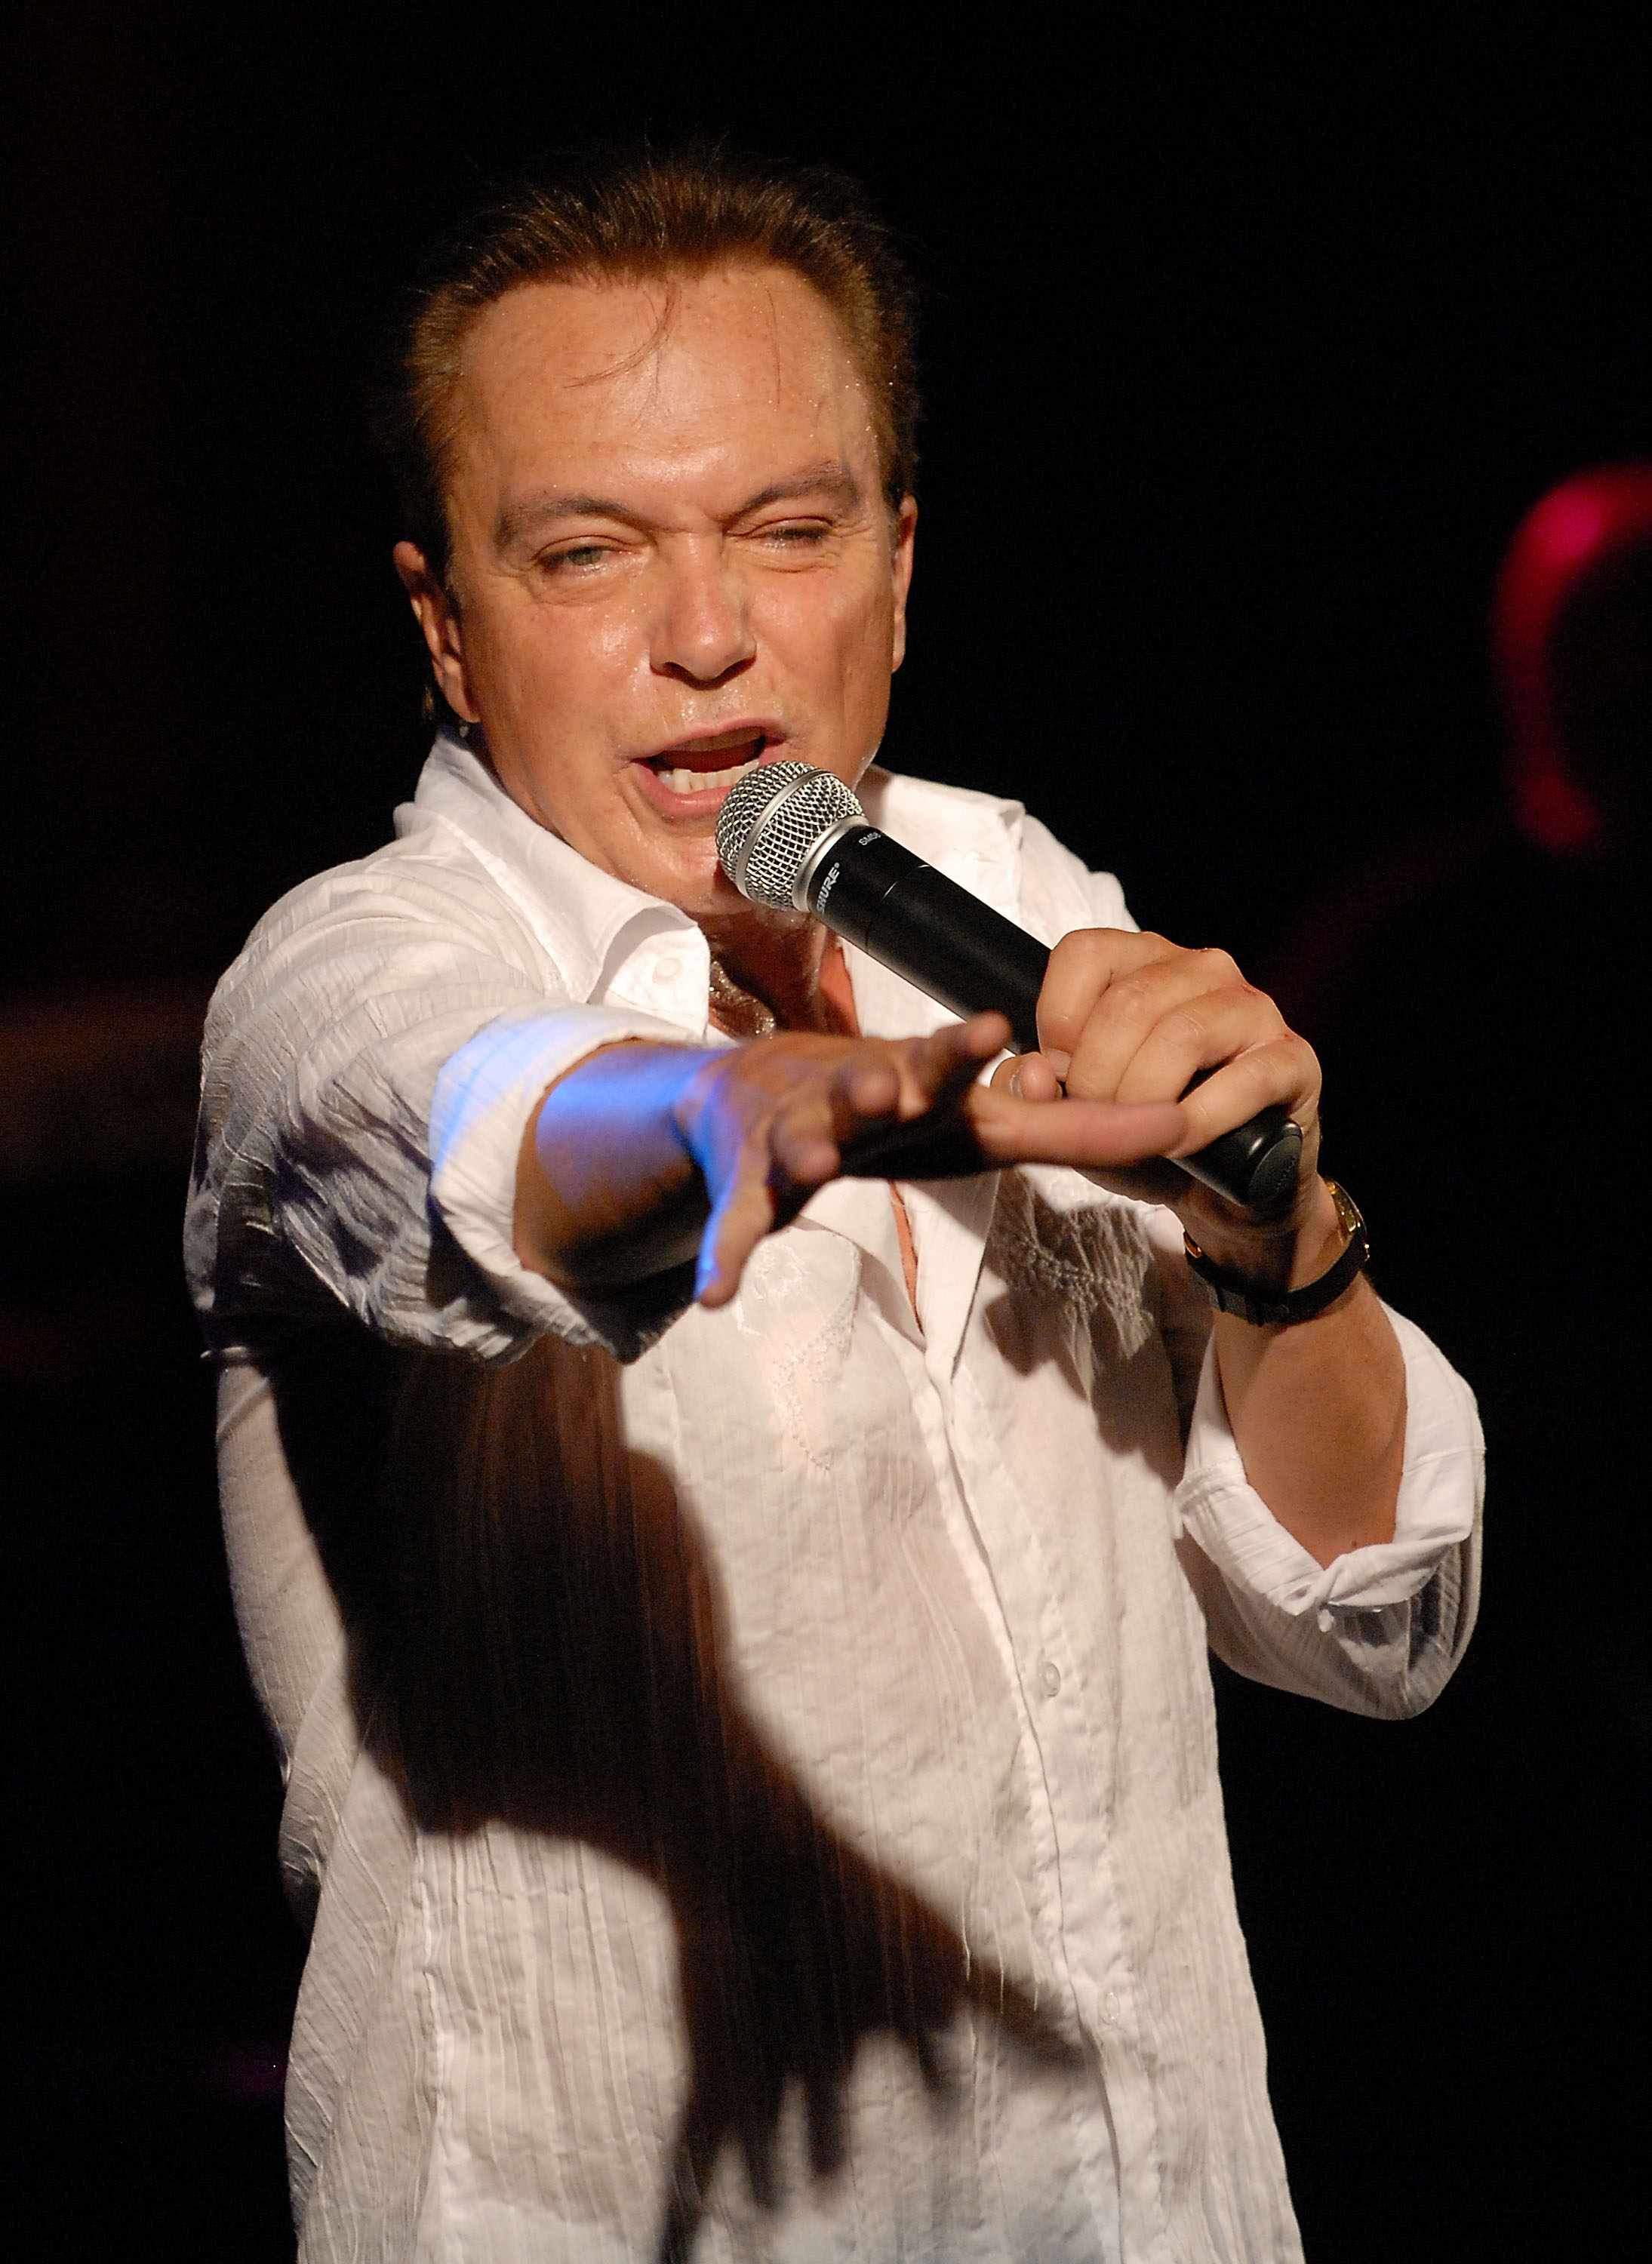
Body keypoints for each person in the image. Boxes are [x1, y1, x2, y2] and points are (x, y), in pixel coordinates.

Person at [186, 147, 1483, 2264]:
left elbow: (1366, 1629)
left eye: (785, 533)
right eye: (591, 551)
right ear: (445, 624)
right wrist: (744, 1122)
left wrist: (1276, 1235)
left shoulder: (1020, 905)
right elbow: (497, 1132)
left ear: (895, 566)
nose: (709, 638)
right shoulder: (343, 977)